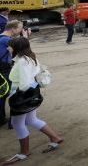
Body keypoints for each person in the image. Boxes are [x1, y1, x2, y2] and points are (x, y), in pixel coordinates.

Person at [3, 37, 63, 165]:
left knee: (17, 123)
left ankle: (24, 153)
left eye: (10, 46)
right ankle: (55, 137)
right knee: (31, 120)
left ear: (16, 48)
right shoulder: (30, 57)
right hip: (33, 94)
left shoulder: (21, 62)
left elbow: (24, 85)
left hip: (22, 97)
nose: (8, 48)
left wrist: (14, 92)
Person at [0, 20, 28, 128]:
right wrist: (25, 38)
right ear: (13, 29)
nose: (21, 30)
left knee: (2, 93)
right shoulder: (7, 40)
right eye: (20, 28)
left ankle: (1, 118)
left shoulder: (1, 37)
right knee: (13, 93)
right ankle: (12, 121)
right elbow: (22, 49)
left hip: (2, 68)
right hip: (4, 69)